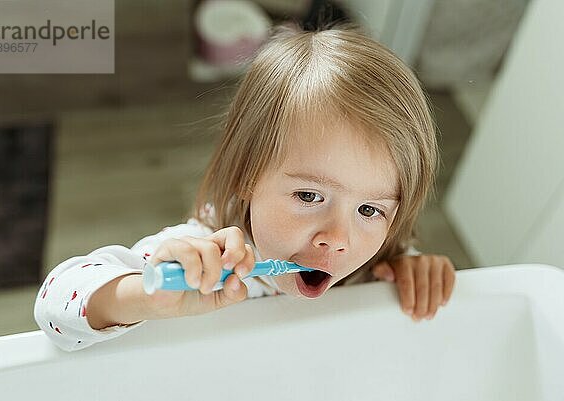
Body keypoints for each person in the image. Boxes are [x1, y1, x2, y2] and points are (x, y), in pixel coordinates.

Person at [34, 23, 456, 352]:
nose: (338, 239)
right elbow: (54, 305)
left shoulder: (372, 266)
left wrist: (410, 272)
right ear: (247, 177)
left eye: (369, 210)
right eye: (309, 196)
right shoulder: (200, 260)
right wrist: (141, 298)